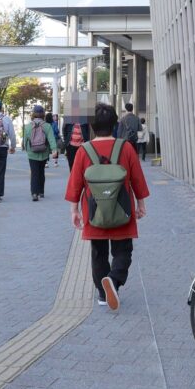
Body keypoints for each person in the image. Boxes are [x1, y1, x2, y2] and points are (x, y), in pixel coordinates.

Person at [65, 103, 150, 311]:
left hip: (95, 212)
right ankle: (114, 279)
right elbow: (137, 179)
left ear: (92, 125)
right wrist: (141, 204)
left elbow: (75, 182)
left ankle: (103, 294)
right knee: (123, 251)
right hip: (122, 209)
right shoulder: (126, 148)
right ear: (114, 125)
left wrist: (75, 210)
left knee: (98, 253)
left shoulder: (84, 151)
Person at [21, 105, 59, 201]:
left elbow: (25, 140)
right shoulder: (47, 126)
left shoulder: (28, 126)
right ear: (43, 114)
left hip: (32, 153)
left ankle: (34, 193)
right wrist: (54, 150)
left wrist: (26, 149)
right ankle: (41, 191)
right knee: (41, 172)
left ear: (33, 114)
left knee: (34, 173)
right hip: (44, 153)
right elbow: (51, 139)